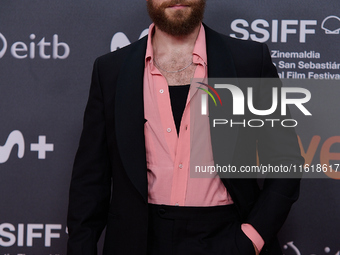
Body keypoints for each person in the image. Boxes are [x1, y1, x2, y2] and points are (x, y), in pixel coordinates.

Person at [67, 0, 304, 254]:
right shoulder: (110, 71)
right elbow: (90, 179)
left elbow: (286, 159)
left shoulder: (249, 61)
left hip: (227, 236)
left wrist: (251, 238)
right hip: (138, 240)